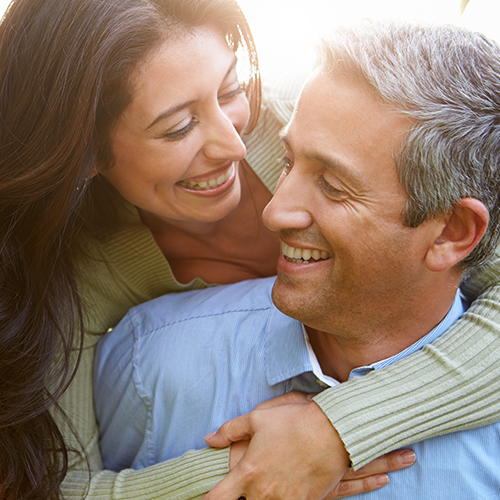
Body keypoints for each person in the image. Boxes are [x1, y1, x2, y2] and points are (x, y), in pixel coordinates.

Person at [0, 0, 499, 496]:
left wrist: (338, 429)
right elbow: (51, 486)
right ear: (85, 152)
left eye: (230, 90)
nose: (235, 144)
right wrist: (252, 469)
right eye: (178, 127)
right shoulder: (83, 280)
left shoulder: (326, 118)